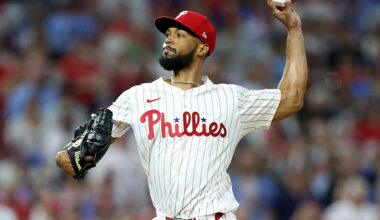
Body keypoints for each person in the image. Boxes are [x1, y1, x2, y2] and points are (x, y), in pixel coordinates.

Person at [56, 0, 308, 219]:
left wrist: (294, 29)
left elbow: (292, 97)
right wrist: (79, 156)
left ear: (202, 47)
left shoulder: (230, 98)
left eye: (180, 34)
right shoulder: (138, 96)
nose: (169, 38)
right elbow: (69, 161)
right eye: (168, 33)